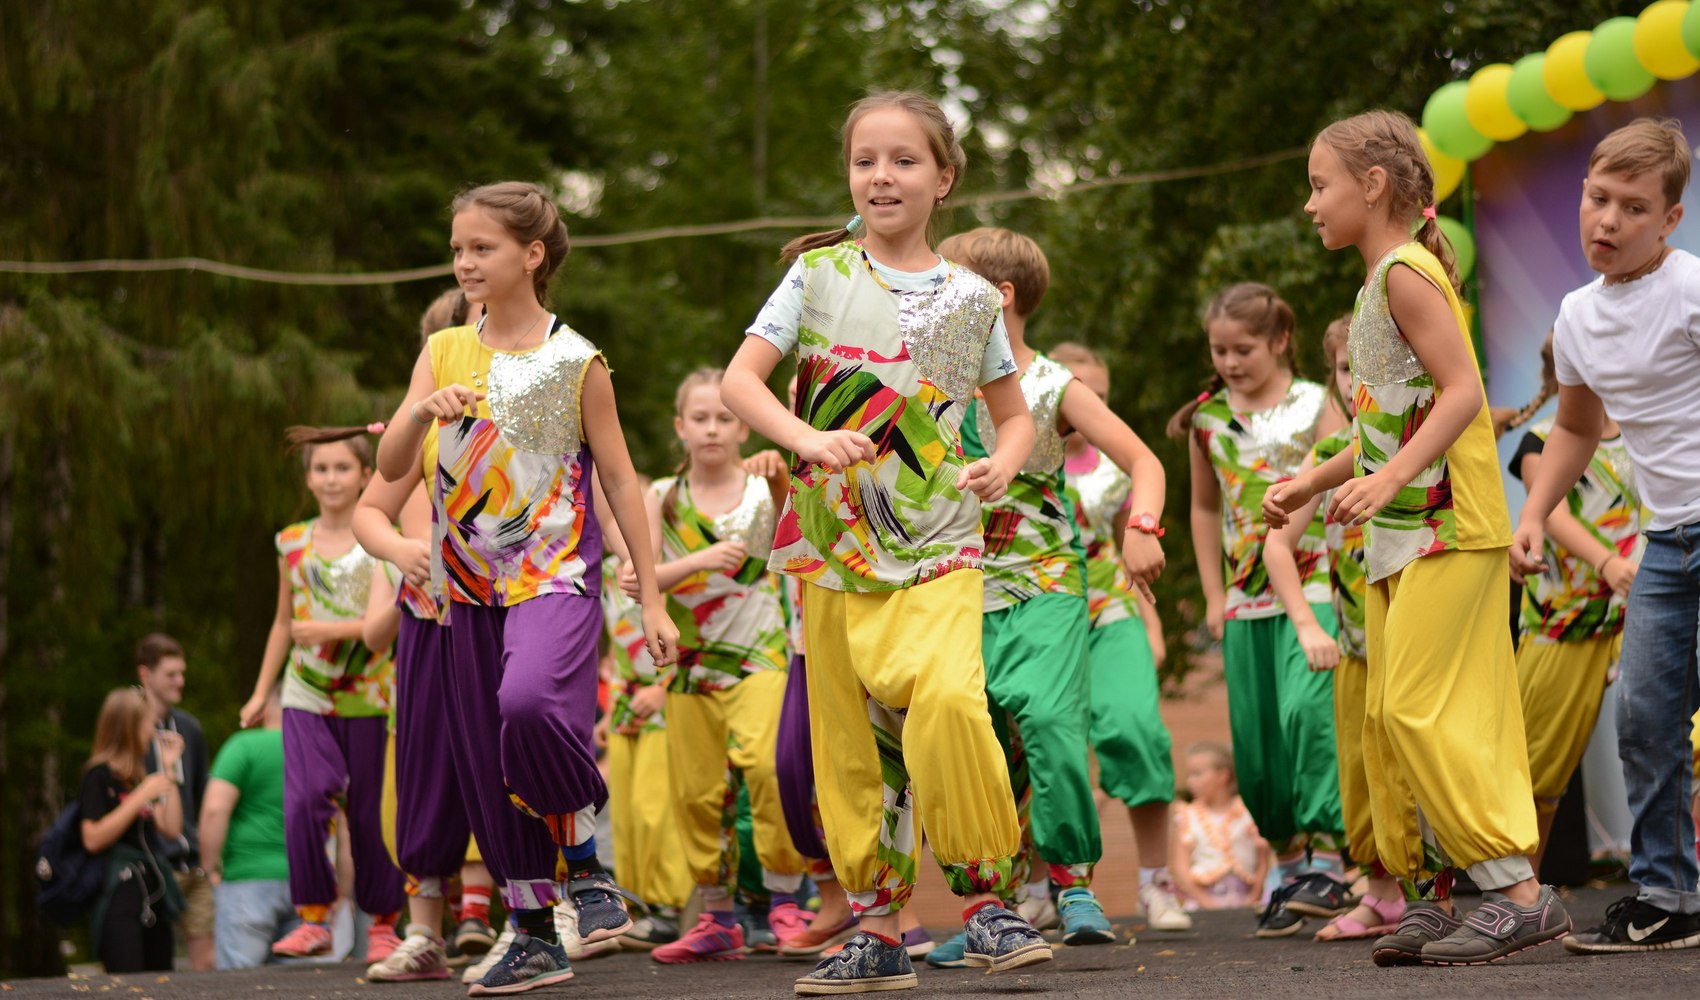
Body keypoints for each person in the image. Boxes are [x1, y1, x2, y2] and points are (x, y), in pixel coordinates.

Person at [722, 90, 1049, 995]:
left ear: (943, 179)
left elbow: (1013, 419)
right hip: (830, 550)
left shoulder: (972, 298)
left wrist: (1003, 465)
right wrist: (803, 439)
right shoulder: (817, 275)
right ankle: (875, 927)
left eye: (904, 160)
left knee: (947, 698)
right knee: (852, 742)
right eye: (866, 160)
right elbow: (741, 381)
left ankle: (987, 899)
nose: (881, 176)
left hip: (942, 541)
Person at [1268, 107, 1565, 966]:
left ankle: (1517, 892)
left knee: (1423, 706)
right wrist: (1317, 481)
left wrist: (1390, 480)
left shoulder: (1404, 271)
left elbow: (1465, 391)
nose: (1312, 204)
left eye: (1321, 186)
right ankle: (1440, 892)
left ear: (1373, 186)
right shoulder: (1376, 284)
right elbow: (1385, 421)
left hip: (1448, 523)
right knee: (1392, 720)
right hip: (1403, 530)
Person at [376, 180, 678, 995]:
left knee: (530, 708)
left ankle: (583, 855)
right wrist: (417, 413)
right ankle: (533, 930)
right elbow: (390, 469)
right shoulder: (442, 351)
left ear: (532, 255)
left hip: (556, 579)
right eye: (457, 249)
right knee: (486, 760)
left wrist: (650, 598)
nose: (464, 261)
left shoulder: (576, 360)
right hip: (465, 591)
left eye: (482, 247)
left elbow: (618, 479)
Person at [925, 227, 1165, 960]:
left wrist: (1143, 527)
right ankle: (994, 905)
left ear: (998, 297)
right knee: (977, 739)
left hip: (1046, 584)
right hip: (953, 588)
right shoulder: (929, 381)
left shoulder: (1054, 385)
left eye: (948, 283)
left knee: (1052, 722)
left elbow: (1142, 460)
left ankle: (1072, 880)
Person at [1511, 117, 1700, 954]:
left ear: (1670, 219)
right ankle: (1668, 898)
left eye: (1634, 207)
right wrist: (1530, 514)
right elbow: (1576, 431)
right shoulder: (1577, 315)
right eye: (1597, 200)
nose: (1609, 221)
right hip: (1664, 543)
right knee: (1646, 720)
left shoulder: (1691, 291)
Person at [1167, 282, 1350, 937]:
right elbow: (1204, 507)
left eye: (1243, 349)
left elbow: (1344, 476)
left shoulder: (1314, 403)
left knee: (1308, 716)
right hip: (1246, 600)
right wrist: (1215, 596)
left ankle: (1329, 857)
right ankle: (1295, 867)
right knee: (1259, 745)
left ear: (1278, 341)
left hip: (1317, 585)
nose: (1230, 362)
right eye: (1219, 350)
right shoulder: (1208, 419)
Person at [622, 367, 808, 962]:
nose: (712, 429)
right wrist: (700, 559)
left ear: (744, 426)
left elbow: (803, 540)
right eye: (699, 418)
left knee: (769, 771)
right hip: (690, 666)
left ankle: (783, 903)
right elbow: (635, 578)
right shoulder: (661, 496)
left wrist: (781, 477)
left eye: (724, 418)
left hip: (759, 658)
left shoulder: (762, 486)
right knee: (698, 792)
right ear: (680, 428)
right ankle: (717, 918)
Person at [241, 425, 406, 963]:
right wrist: (261, 691)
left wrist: (334, 633)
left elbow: (388, 623)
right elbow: (282, 623)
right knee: (306, 799)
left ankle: (383, 922)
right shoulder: (291, 541)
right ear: (309, 478)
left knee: (369, 815)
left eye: (341, 468)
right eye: (320, 468)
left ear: (365, 475)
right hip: (305, 692)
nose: (330, 478)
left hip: (371, 695)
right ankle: (315, 916)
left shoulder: (383, 538)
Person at [1264, 316, 1405, 942]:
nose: (1357, 382)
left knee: (1417, 762)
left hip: (1413, 642)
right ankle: (1381, 893)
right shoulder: (1325, 457)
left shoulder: (1415, 445)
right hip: (1352, 643)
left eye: (1368, 368)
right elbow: (1276, 547)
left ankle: (1439, 891)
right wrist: (1305, 625)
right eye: (1347, 369)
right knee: (1359, 769)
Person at [1050, 340, 1190, 933]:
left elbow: (1133, 553)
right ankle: (1053, 888)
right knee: (1045, 750)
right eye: (1080, 393)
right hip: (1042, 616)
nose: (1091, 405)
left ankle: (1156, 883)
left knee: (1136, 730)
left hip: (1112, 616)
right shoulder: (1017, 452)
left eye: (1101, 396)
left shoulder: (1114, 467)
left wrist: (1153, 627)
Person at [1507, 333, 1642, 873]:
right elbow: (1551, 515)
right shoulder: (1540, 441)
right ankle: (1520, 893)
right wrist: (1609, 563)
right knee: (1536, 763)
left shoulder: (1639, 436)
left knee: (1683, 741)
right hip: (1565, 619)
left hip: (1639, 610)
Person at [79, 688, 185, 973]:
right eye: (148, 723)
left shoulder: (140, 776)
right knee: (126, 982)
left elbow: (171, 828)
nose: (153, 730)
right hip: (118, 893)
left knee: (162, 981)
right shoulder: (98, 776)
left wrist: (168, 769)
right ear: (129, 727)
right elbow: (92, 838)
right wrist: (140, 797)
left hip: (153, 892)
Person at [200, 685, 295, 970]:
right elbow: (342, 822)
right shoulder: (315, 750)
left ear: (264, 708)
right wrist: (340, 889)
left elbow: (215, 809)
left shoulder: (243, 746)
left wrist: (210, 866)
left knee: (238, 985)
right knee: (304, 987)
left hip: (246, 880)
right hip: (306, 887)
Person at [134, 633, 213, 970]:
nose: (180, 681)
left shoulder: (189, 728)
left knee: (206, 961)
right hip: (150, 865)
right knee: (156, 965)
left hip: (192, 863)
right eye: (171, 674)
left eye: (182, 673)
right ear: (145, 675)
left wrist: (211, 861)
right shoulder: (129, 726)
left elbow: (201, 795)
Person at [1170, 742, 1269, 911]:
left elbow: (1263, 857)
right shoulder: (1188, 816)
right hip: (1203, 905)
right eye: (1189, 775)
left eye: (1197, 774)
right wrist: (1207, 902)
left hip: (1245, 902)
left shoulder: (1247, 812)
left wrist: (1254, 896)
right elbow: (1181, 868)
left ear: (1223, 775)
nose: (1190, 781)